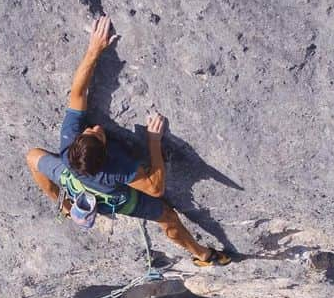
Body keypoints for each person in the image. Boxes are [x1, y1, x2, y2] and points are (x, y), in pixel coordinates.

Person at [26, 15, 231, 267]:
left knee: (33, 156)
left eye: (90, 131)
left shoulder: (70, 143)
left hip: (72, 180)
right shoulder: (116, 169)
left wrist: (94, 50)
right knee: (168, 216)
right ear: (106, 155)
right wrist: (154, 142)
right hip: (115, 199)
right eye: (98, 134)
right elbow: (156, 189)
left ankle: (67, 207)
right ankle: (203, 254)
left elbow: (78, 92)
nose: (97, 127)